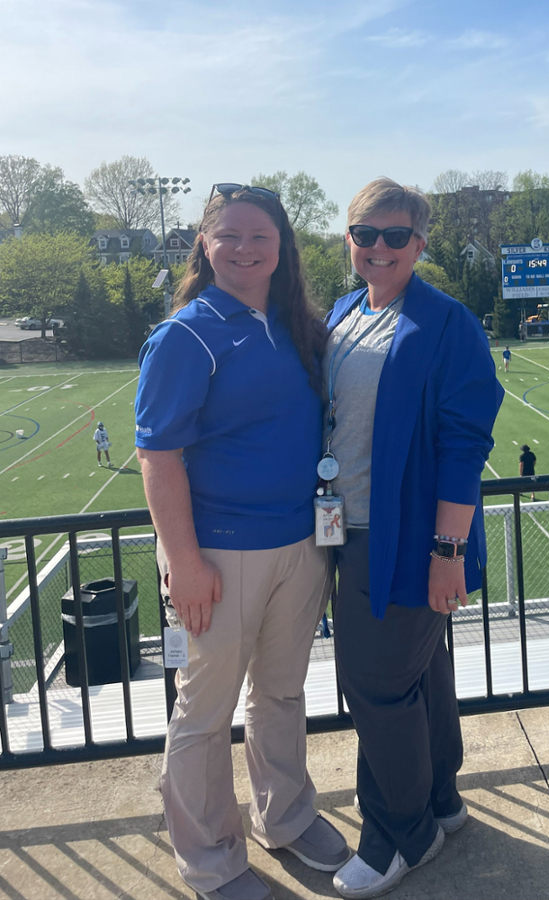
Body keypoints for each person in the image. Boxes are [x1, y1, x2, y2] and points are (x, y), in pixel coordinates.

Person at [134, 184, 349, 900]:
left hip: (301, 543)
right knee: (204, 713)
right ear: (205, 243)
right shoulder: (187, 334)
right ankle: (210, 860)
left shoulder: (294, 324)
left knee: (282, 694)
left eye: (261, 235)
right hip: (221, 554)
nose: (246, 248)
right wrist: (185, 563)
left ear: (282, 245)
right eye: (230, 235)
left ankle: (283, 817)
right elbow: (157, 458)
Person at [324, 178, 503, 899]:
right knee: (421, 673)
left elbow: (464, 446)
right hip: (351, 526)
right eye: (366, 233)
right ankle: (439, 799)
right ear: (350, 240)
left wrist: (447, 552)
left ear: (420, 244)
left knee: (374, 686)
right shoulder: (344, 312)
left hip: (409, 536)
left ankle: (401, 834)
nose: (379, 247)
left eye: (396, 235)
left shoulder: (445, 322)